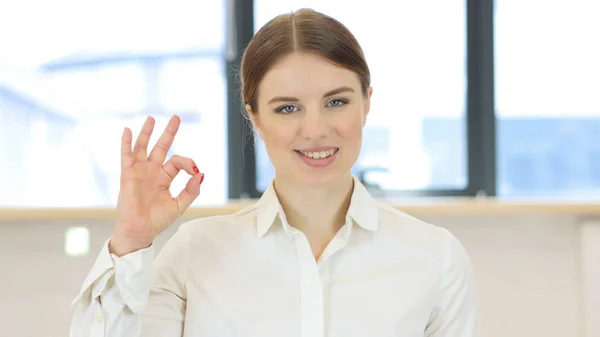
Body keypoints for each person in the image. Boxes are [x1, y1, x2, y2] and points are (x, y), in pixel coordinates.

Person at [69, 8, 479, 337]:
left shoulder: (435, 258)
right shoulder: (194, 253)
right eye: (287, 108)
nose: (316, 130)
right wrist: (130, 243)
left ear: (367, 103)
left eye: (336, 102)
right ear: (255, 118)